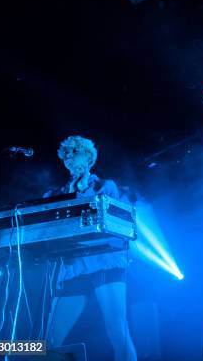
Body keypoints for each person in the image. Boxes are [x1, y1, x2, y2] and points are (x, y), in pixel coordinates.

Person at [44, 135, 137, 361]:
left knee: (117, 330)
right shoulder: (57, 194)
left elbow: (119, 223)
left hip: (105, 261)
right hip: (75, 266)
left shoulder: (107, 187)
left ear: (87, 157)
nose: (67, 159)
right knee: (49, 340)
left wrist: (83, 190)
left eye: (72, 154)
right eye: (65, 156)